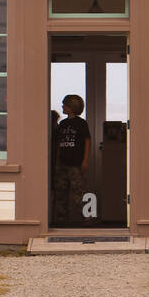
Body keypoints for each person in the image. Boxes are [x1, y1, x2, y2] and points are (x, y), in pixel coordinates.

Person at [53, 94, 91, 226]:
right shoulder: (62, 124)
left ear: (71, 107)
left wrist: (85, 161)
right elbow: (58, 144)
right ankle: (62, 219)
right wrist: (57, 162)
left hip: (75, 163)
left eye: (65, 105)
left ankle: (86, 217)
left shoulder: (81, 123)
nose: (62, 107)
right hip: (62, 163)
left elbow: (87, 141)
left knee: (78, 192)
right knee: (61, 192)